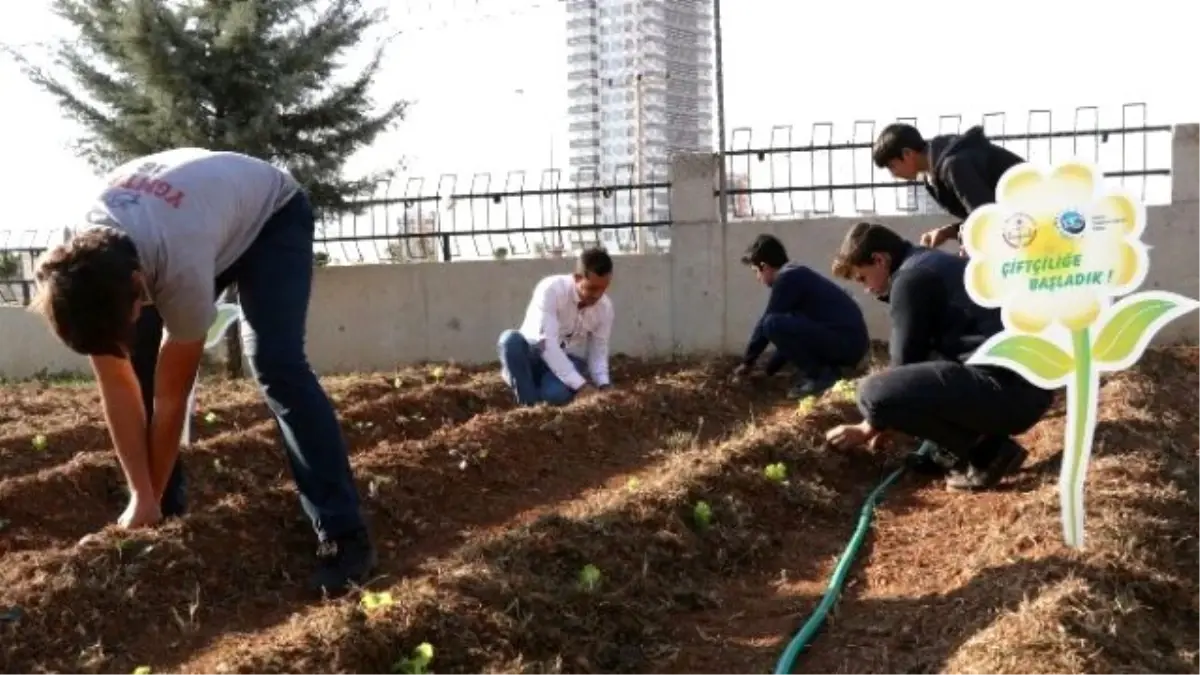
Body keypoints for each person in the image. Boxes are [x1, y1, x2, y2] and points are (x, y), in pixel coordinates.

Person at [30, 148, 375, 595]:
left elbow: (172, 397)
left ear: (139, 286)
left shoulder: (179, 265)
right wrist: (141, 494)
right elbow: (117, 385)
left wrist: (145, 492)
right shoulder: (78, 273)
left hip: (271, 215)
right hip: (194, 213)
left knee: (276, 364)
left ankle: (344, 534)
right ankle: (160, 512)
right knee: (137, 362)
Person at [824, 222, 1054, 491]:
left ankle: (988, 452)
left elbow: (901, 368)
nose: (867, 289)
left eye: (862, 278)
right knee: (923, 365)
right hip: (1027, 386)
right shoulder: (927, 263)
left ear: (879, 259)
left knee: (871, 392)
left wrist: (869, 426)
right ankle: (949, 450)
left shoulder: (910, 279)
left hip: (1009, 392)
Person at [733, 234, 870, 400]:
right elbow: (791, 339)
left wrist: (747, 362)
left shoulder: (788, 279)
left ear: (764, 266)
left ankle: (821, 377)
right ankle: (827, 372)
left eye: (756, 272)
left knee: (771, 323)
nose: (758, 278)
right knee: (777, 324)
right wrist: (769, 369)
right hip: (849, 343)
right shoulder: (797, 275)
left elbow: (766, 325)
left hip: (846, 343)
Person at [872, 123, 1024, 253]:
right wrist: (947, 232)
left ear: (907, 154)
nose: (894, 174)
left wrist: (968, 242)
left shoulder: (954, 165)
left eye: (892, 166)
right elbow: (984, 214)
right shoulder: (934, 175)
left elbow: (989, 219)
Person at [497, 247, 614, 406]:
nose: (597, 295)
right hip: (531, 355)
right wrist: (581, 386)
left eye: (603, 288)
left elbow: (598, 350)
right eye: (592, 288)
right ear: (577, 278)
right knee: (510, 341)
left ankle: (536, 390)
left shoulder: (604, 308)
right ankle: (530, 407)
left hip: (562, 360)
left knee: (555, 395)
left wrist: (604, 384)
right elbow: (546, 344)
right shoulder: (552, 289)